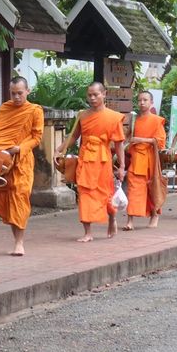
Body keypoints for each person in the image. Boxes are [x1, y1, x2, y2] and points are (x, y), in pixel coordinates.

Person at [0, 77, 44, 256]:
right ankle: (16, 241)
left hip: (22, 161)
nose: (17, 97)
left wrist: (19, 148)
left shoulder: (35, 111)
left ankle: (20, 243)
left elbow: (37, 137)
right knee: (9, 201)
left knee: (20, 197)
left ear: (28, 91)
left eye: (20, 93)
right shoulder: (6, 108)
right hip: (3, 163)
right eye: (13, 93)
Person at [59, 82, 125, 242]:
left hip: (103, 161)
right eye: (89, 95)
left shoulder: (114, 117)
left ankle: (112, 218)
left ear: (104, 94)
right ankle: (87, 232)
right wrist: (59, 149)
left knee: (105, 194)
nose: (92, 98)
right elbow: (74, 136)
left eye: (96, 94)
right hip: (86, 159)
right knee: (85, 194)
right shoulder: (83, 115)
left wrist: (122, 166)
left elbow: (118, 143)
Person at [122, 90, 166, 231]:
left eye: (145, 100)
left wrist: (141, 140)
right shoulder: (134, 120)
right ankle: (130, 220)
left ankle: (154, 215)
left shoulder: (156, 120)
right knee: (133, 189)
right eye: (140, 100)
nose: (142, 103)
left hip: (149, 159)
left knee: (150, 188)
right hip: (136, 159)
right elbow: (126, 137)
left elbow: (160, 142)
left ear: (151, 102)